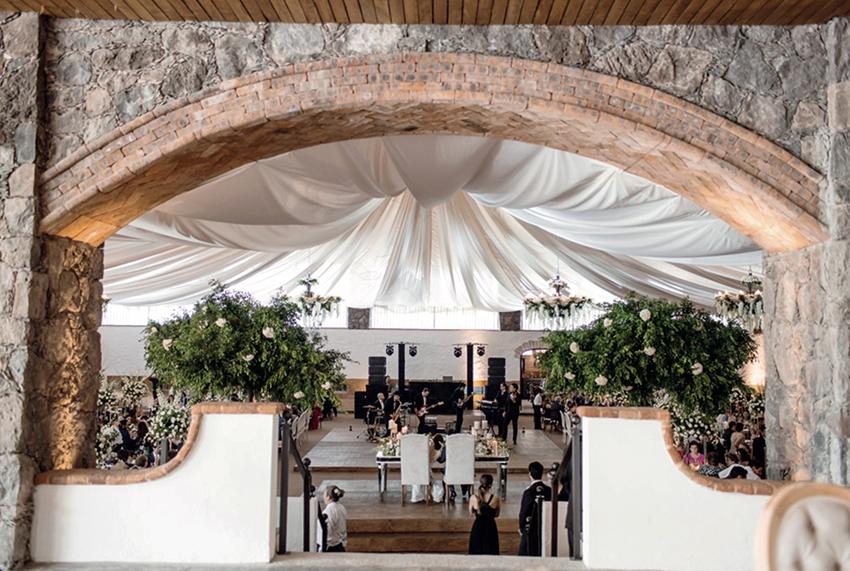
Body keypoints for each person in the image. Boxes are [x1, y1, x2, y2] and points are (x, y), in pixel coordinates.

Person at [518, 461, 551, 556]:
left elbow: (524, 511)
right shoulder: (549, 490)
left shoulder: (528, 491)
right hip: (545, 525)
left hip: (530, 526)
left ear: (530, 474)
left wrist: (521, 527)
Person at [468, 474, 501, 555]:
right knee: (491, 551)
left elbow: (471, 513)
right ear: (491, 485)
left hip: (478, 527)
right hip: (490, 527)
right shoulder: (496, 499)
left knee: (476, 551)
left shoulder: (473, 497)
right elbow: (497, 514)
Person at [319, 485, 347, 552]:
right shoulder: (341, 507)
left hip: (331, 547)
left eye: (324, 495)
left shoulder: (329, 510)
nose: (323, 497)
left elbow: (328, 531)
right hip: (339, 544)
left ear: (328, 497)